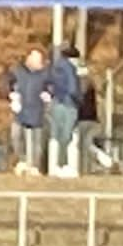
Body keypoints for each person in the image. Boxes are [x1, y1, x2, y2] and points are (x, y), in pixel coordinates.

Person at [72, 48, 116, 173]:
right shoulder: (89, 82)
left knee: (86, 144)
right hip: (88, 119)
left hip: (86, 119)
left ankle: (106, 162)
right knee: (83, 145)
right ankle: (86, 168)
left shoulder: (85, 83)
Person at [11, 48, 50, 176]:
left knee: (37, 142)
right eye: (34, 59)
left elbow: (51, 86)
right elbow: (7, 83)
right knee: (16, 136)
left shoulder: (45, 74)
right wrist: (11, 95)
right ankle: (21, 161)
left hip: (37, 110)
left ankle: (35, 166)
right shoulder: (18, 72)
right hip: (20, 111)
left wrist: (48, 93)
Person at [47, 44, 81, 178]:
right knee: (66, 137)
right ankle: (64, 164)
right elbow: (73, 88)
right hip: (69, 104)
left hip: (56, 103)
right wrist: (79, 100)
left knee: (56, 135)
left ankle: (54, 166)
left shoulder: (54, 68)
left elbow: (49, 85)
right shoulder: (70, 68)